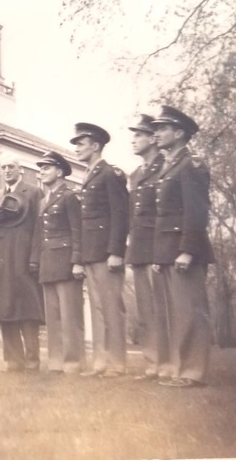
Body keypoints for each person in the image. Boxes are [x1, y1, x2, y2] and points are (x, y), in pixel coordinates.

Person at [151, 106, 214, 388]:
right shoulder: (169, 165)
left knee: (189, 311)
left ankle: (192, 372)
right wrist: (159, 254)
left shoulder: (192, 165)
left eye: (163, 128)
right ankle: (182, 370)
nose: (157, 133)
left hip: (184, 249)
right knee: (177, 313)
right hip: (168, 249)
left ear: (179, 133)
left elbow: (197, 211)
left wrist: (187, 249)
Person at [71, 122, 129, 378]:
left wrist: (116, 251)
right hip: (92, 253)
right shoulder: (89, 175)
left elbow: (120, 213)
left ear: (95, 146)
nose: (76, 149)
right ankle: (100, 363)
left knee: (111, 308)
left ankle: (117, 363)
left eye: (80, 144)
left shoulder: (110, 174)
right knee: (96, 308)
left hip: (107, 253)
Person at [0, 153, 44, 372]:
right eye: (3, 167)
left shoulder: (34, 193)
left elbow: (39, 229)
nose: (7, 170)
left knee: (28, 310)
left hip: (23, 259)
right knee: (5, 310)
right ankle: (13, 362)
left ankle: (33, 361)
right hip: (0, 260)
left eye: (11, 167)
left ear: (20, 170)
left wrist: (35, 259)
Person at [125, 114, 169, 381]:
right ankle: (153, 363)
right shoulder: (136, 174)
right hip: (140, 248)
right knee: (145, 310)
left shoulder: (165, 167)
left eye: (139, 135)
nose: (134, 140)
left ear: (153, 138)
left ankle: (168, 362)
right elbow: (133, 215)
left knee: (162, 308)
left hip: (160, 246)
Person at [36, 151, 85, 375]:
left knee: (69, 316)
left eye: (47, 167)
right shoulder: (43, 200)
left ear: (59, 171)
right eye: (41, 168)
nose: (42, 171)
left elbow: (78, 231)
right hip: (48, 262)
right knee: (53, 318)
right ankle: (55, 361)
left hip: (66, 263)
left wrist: (77, 261)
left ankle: (73, 362)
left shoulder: (70, 196)